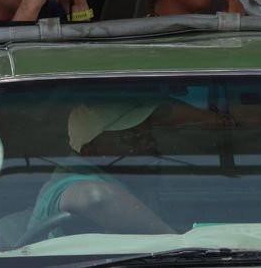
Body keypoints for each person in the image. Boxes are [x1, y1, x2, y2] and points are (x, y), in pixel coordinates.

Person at [28, 100, 174, 238]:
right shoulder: (67, 180)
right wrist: (174, 242)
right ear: (91, 152)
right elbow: (95, 197)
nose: (149, 143)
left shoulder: (128, 178)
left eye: (148, 132)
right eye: (130, 136)